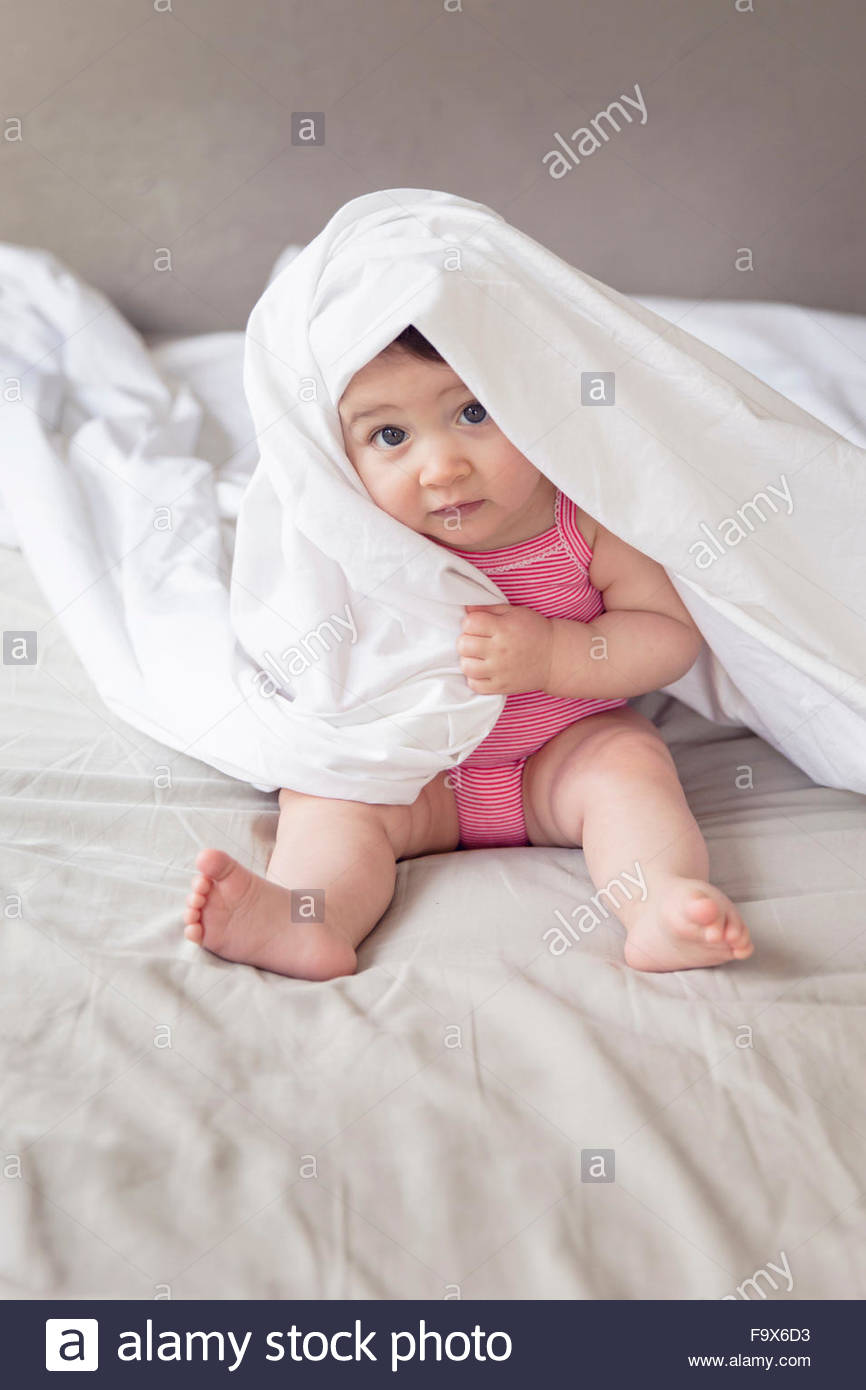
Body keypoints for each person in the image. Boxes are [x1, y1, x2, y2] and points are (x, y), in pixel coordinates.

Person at [183, 325, 754, 978]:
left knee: (630, 764)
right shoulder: (357, 543)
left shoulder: (583, 521)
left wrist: (559, 654)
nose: (443, 468)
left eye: (473, 412)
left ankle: (658, 903)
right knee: (325, 797)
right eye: (390, 436)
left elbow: (667, 632)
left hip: (561, 754)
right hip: (417, 776)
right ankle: (312, 918)